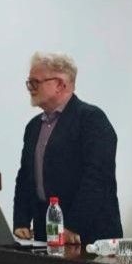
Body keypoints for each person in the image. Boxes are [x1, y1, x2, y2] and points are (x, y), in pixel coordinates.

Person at [13, 51, 121, 246]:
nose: (30, 88)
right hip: (46, 234)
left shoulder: (91, 119)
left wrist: (73, 226)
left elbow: (97, 179)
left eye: (35, 82)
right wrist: (21, 220)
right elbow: (25, 177)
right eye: (29, 82)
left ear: (61, 84)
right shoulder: (33, 127)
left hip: (89, 237)